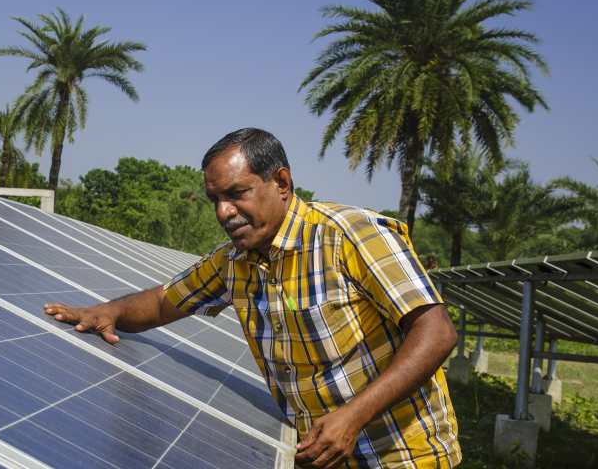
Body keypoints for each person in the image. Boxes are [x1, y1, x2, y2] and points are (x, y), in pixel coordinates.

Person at [44, 128, 460, 469]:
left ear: (280, 182)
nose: (224, 212)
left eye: (236, 193)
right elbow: (161, 302)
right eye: (215, 200)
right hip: (321, 458)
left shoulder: (350, 234)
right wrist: (108, 312)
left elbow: (436, 332)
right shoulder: (234, 262)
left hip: (405, 456)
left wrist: (354, 416)